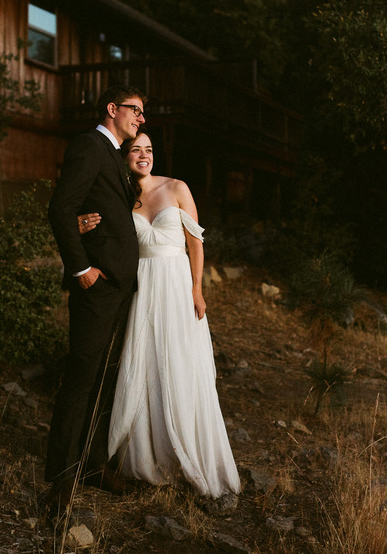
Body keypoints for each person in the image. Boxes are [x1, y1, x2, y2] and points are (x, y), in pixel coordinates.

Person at [79, 132, 241, 499]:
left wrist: (196, 289)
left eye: (149, 149)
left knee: (181, 363)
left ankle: (190, 446)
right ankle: (146, 452)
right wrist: (77, 224)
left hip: (177, 286)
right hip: (144, 289)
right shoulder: (124, 198)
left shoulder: (177, 187)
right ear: (125, 157)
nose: (143, 155)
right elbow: (104, 234)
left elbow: (195, 243)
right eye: (135, 149)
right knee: (145, 363)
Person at [43, 85, 146, 518]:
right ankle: (61, 480)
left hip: (121, 288)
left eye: (142, 113)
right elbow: (60, 208)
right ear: (112, 108)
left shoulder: (116, 157)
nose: (141, 118)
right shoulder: (89, 145)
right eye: (135, 110)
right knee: (81, 378)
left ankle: (92, 465)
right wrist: (81, 268)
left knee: (107, 378)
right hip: (97, 287)